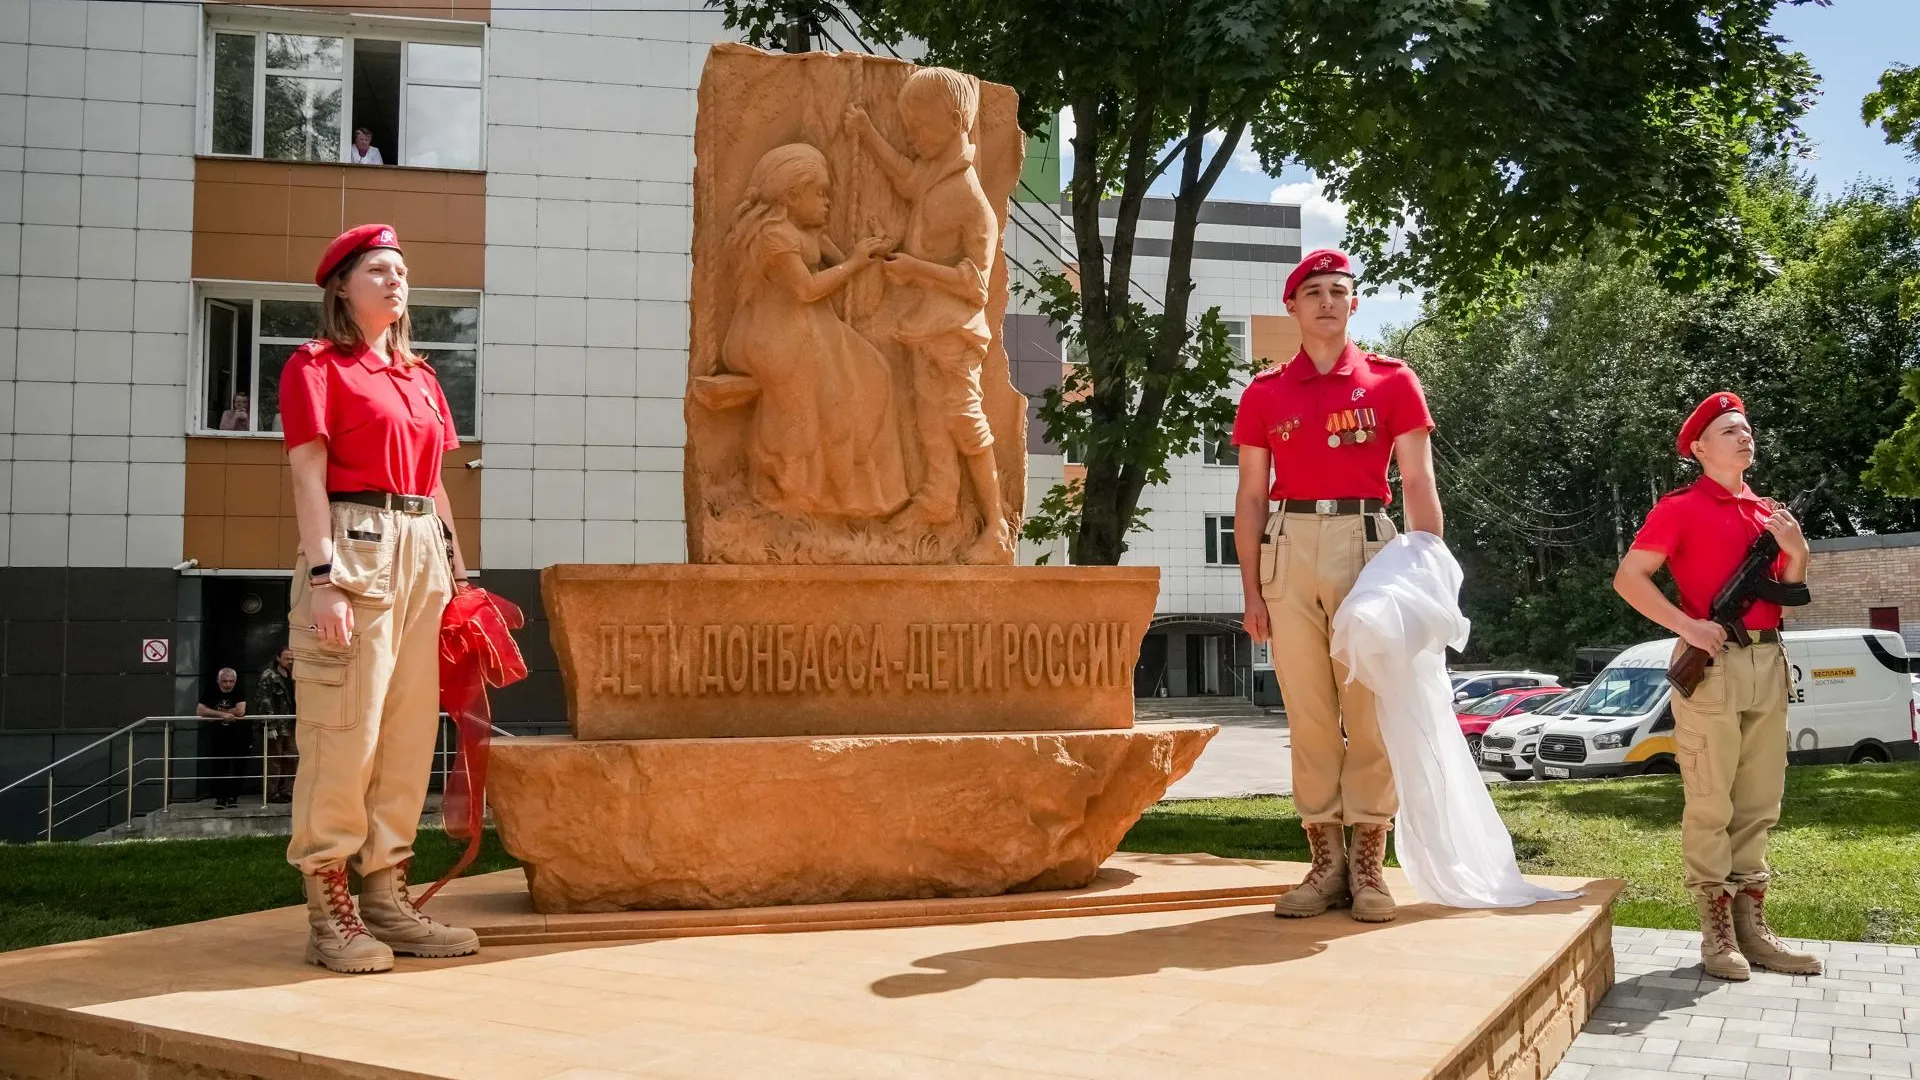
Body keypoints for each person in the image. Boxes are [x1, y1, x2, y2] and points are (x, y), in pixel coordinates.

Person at [278, 223, 478, 974]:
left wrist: (462, 579)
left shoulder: (421, 377)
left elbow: (433, 485)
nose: (396, 281)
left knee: (406, 733)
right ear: (342, 287)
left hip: (422, 545)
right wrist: (324, 578)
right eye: (378, 271)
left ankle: (389, 898)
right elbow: (306, 476)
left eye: (402, 271)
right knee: (344, 729)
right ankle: (331, 915)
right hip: (353, 544)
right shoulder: (316, 366)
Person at [1231, 248, 1443, 923]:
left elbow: (1416, 483)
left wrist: (1428, 573)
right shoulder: (1265, 392)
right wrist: (1251, 592)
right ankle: (1324, 865)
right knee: (1311, 715)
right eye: (1313, 291)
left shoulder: (1391, 381)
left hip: (1367, 546)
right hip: (1288, 548)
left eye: (1338, 291)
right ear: (1292, 307)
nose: (1326, 301)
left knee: (1368, 711)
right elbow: (1249, 496)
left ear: (1354, 304)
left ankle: (1369, 868)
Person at [1612, 392, 1821, 981]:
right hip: (1712, 665)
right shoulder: (1681, 508)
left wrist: (1797, 552)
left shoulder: (1769, 513)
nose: (1743, 435)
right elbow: (1629, 577)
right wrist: (1686, 626)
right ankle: (1718, 935)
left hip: (1767, 662)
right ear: (1700, 448)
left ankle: (1756, 931)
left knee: (1759, 802)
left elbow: (1788, 598)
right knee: (1711, 803)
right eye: (1729, 429)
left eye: (1747, 428)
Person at [845, 68, 1013, 562]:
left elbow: (976, 286)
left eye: (919, 127)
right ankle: (938, 499)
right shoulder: (935, 178)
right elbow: (903, 176)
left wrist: (917, 269)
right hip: (925, 325)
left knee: (964, 419)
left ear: (957, 119)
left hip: (955, 331)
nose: (913, 136)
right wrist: (867, 132)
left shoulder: (969, 198)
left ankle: (997, 528)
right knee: (927, 414)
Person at [722, 142, 909, 518]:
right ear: (792, 195)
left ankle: (855, 490)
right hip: (773, 334)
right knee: (824, 391)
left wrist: (871, 251)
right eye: (820, 193)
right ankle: (796, 486)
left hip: (810, 328)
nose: (827, 202)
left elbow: (840, 262)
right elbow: (806, 289)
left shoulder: (806, 230)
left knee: (873, 370)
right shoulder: (773, 235)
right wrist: (854, 263)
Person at [250, 645, 298, 803]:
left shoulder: (294, 674)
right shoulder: (269, 675)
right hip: (276, 725)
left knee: (292, 758)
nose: (290, 661)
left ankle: (287, 790)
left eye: (291, 658)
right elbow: (264, 700)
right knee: (274, 760)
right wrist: (269, 726)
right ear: (278, 658)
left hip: (291, 724)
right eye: (286, 658)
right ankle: (272, 793)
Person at [197, 667, 250, 810]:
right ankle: (220, 798)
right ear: (218, 681)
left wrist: (213, 714)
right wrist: (223, 715)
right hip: (218, 735)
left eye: (231, 681)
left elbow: (240, 711)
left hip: (238, 736)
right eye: (224, 681)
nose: (228, 684)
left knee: (238, 766)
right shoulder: (210, 691)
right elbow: (200, 710)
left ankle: (234, 797)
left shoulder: (239, 691)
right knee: (219, 767)